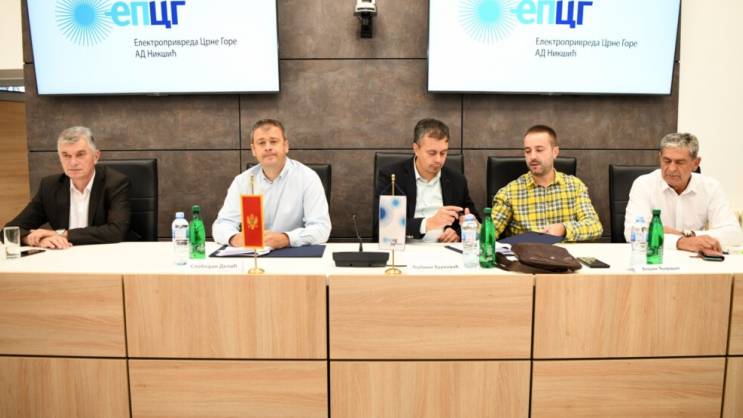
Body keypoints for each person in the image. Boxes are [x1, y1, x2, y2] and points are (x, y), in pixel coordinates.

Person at [3, 126, 131, 248]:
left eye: (80, 154)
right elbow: (9, 231)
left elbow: (116, 231)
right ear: (59, 158)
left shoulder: (115, 183)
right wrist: (36, 240)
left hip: (104, 254)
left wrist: (61, 234)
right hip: (63, 255)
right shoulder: (49, 187)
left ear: (96, 156)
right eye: (66, 155)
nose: (73, 162)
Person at [212, 119, 331, 249]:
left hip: (293, 254)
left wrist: (286, 239)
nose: (268, 147)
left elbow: (321, 228)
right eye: (261, 143)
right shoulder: (242, 181)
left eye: (273, 141)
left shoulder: (308, 178)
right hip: (253, 255)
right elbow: (222, 225)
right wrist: (235, 238)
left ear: (285, 146)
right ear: (254, 150)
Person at [624, 132, 741, 253]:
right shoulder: (643, 184)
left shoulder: (711, 187)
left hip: (695, 260)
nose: (672, 168)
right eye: (667, 161)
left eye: (680, 162)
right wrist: (682, 241)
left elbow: (734, 234)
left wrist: (689, 234)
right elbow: (633, 233)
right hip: (655, 257)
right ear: (660, 158)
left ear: (696, 163)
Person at [374, 118, 479, 243]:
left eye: (443, 153)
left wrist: (458, 233)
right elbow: (382, 227)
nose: (438, 160)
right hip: (406, 249)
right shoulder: (393, 177)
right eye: (432, 153)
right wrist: (428, 223)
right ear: (416, 149)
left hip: (445, 250)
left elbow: (475, 221)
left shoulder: (457, 180)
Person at [491, 125, 603, 241]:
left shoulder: (575, 186)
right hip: (526, 251)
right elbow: (489, 232)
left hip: (565, 252)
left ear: (555, 152)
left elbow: (595, 226)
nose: (532, 157)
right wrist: (478, 228)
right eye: (528, 151)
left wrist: (564, 229)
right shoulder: (509, 192)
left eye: (539, 150)